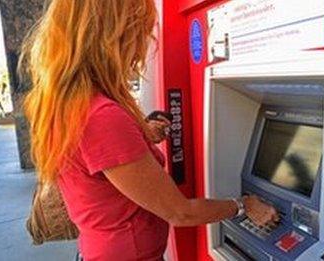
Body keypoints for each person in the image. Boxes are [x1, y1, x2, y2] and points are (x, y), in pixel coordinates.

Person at [20, 0, 278, 261]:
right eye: (140, 32)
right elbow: (180, 213)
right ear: (112, 36)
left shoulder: (68, 101)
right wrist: (244, 205)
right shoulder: (100, 117)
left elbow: (94, 158)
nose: (143, 46)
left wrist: (138, 134)